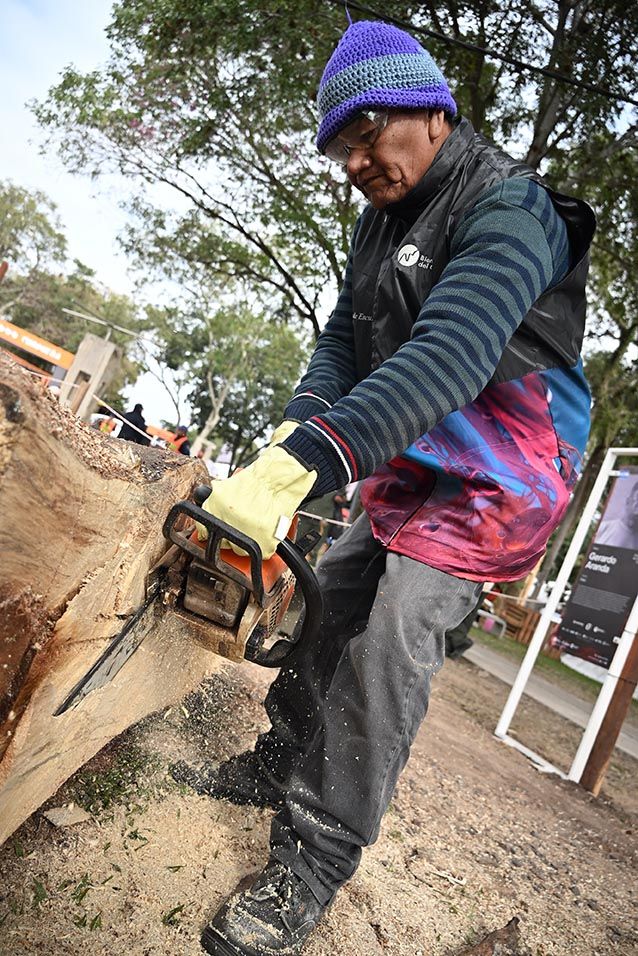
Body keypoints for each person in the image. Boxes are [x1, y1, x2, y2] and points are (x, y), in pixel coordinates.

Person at [171, 18, 595, 956]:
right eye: (341, 148)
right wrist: (297, 425)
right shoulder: (378, 223)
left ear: (434, 111)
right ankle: (279, 763)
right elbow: (343, 340)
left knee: (392, 642)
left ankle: (312, 863)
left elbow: (450, 353)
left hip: (502, 475)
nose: (356, 161)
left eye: (370, 135)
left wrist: (320, 457)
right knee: (333, 604)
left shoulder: (511, 210)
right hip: (413, 446)